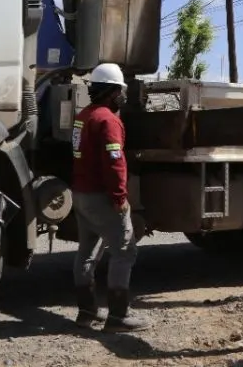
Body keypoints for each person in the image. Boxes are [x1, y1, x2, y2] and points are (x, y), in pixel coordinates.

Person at [70, 62, 150, 331]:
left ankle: (86, 312)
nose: (123, 97)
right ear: (112, 92)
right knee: (125, 252)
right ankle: (118, 316)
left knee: (87, 252)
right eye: (121, 91)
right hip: (102, 197)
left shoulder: (83, 116)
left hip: (81, 195)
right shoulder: (108, 120)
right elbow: (114, 162)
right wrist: (119, 198)